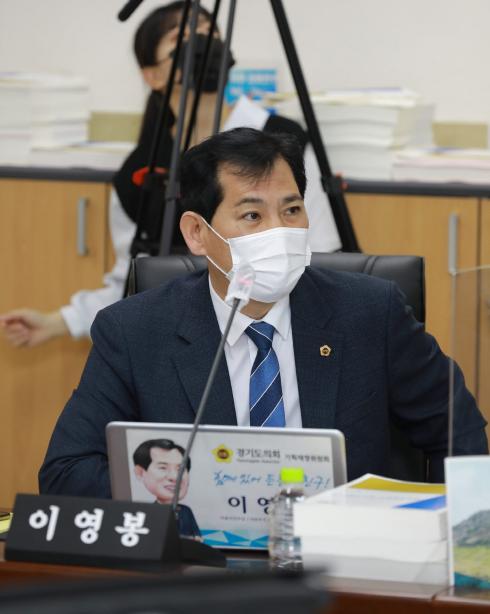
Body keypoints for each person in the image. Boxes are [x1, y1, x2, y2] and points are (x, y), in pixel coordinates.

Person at [39, 127, 487, 497]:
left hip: (344, 555)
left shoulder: (370, 313)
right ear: (197, 233)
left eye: (291, 210)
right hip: (199, 562)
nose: (280, 231)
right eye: (252, 216)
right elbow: (67, 472)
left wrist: (456, 535)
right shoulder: (134, 331)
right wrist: (194, 495)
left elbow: (459, 432)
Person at [0, 1, 340, 348]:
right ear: (153, 76)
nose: (202, 42)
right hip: (181, 339)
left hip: (283, 330)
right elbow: (133, 282)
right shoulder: (139, 174)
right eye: (182, 37)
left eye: (209, 31)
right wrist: (57, 322)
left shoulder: (282, 142)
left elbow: (324, 255)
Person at [133, 438, 201, 540]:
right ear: (140, 473)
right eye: (163, 468)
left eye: (181, 469)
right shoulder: (149, 513)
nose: (174, 477)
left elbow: (197, 534)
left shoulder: (186, 511)